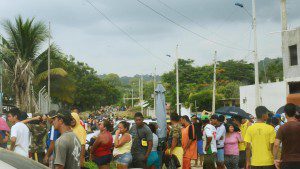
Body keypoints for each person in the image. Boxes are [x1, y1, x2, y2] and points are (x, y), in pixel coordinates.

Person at [273, 103, 300, 169]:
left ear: (285, 114)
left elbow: (276, 144)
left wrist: (275, 158)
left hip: (286, 161)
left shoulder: (282, 128)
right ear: (295, 113)